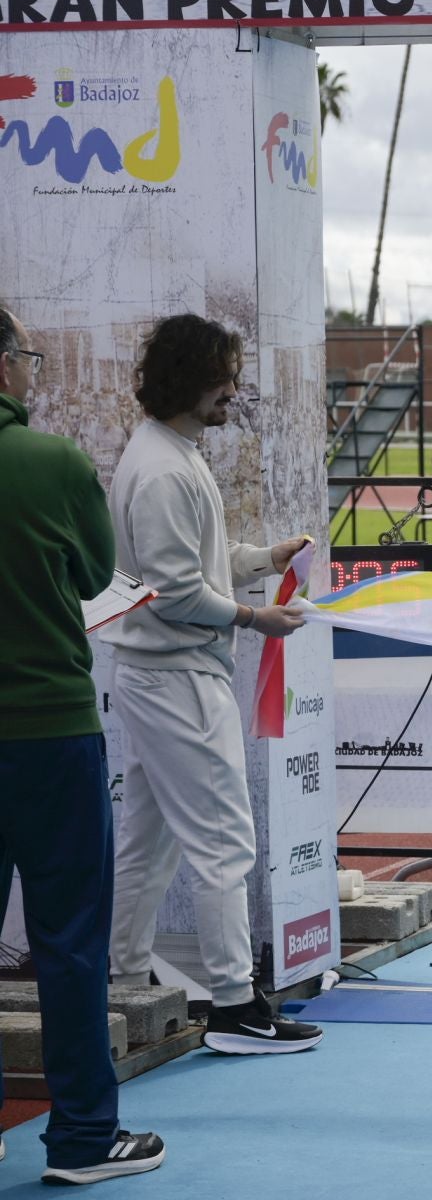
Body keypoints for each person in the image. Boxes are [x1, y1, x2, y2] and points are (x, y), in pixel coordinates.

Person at [102, 314, 323, 1056]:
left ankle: (125, 979)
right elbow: (173, 592)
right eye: (225, 376)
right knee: (225, 843)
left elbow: (191, 564)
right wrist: (258, 617)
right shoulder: (164, 468)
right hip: (177, 677)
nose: (235, 389)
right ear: (191, 379)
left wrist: (263, 557)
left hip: (160, 673)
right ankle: (234, 1006)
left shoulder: (168, 453)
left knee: (149, 842)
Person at [0, 307, 167, 1183]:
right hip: (48, 730)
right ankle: (83, 1139)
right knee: (68, 942)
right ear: (2, 367)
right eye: (25, 356)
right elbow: (98, 578)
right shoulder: (52, 462)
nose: (32, 371)